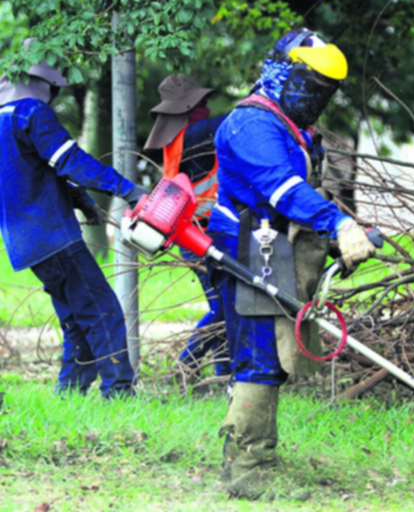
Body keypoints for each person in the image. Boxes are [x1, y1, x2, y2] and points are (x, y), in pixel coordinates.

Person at [207, 29, 376, 498]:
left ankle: (256, 459)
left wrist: (337, 235)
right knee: (259, 354)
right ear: (282, 71)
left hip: (270, 242)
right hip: (247, 243)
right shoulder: (251, 125)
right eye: (309, 82)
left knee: (274, 355)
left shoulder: (290, 126)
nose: (314, 96)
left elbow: (300, 195)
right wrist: (337, 223)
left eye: (324, 89)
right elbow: (281, 190)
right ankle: (247, 472)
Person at [0, 38, 149, 398]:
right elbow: (71, 162)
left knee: (77, 319)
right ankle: (120, 394)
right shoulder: (31, 114)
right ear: (44, 82)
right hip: (52, 234)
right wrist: (129, 190)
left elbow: (34, 172)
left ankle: (68, 395)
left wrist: (84, 203)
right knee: (104, 311)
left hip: (24, 243)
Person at [144, 74, 232, 381]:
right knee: (222, 308)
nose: (206, 109)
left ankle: (223, 374)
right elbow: (240, 118)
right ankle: (182, 370)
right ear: (188, 108)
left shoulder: (177, 139)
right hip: (200, 235)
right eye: (202, 103)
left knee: (221, 305)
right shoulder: (197, 132)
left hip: (191, 234)